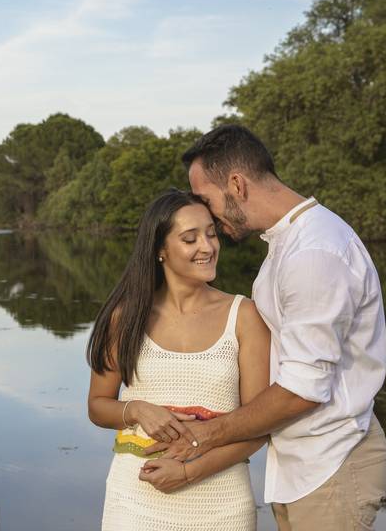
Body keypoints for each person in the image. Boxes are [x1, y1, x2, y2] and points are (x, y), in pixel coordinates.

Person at [147, 125, 386, 530]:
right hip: (303, 465)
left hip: (333, 463)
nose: (209, 216)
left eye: (207, 199)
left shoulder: (313, 253)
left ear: (237, 184)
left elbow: (303, 390)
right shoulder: (288, 243)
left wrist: (204, 436)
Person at [87, 189, 271, 530]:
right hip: (135, 500)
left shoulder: (244, 316)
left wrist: (188, 472)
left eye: (211, 234)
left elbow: (259, 425)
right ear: (160, 250)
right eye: (190, 239)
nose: (207, 247)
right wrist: (137, 409)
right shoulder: (125, 317)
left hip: (222, 504)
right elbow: (97, 406)